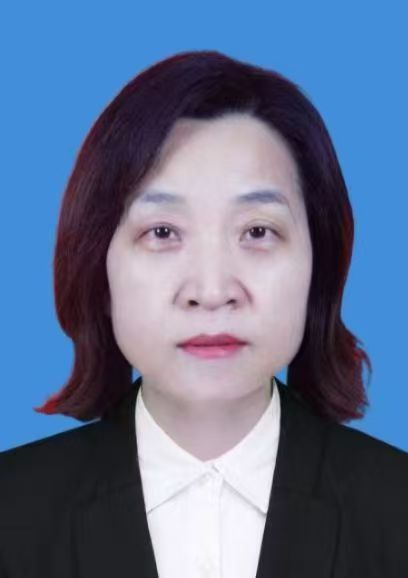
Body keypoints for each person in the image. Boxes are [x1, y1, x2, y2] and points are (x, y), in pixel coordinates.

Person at [0, 50, 407, 577]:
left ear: (319, 263)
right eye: (162, 232)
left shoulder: (396, 510)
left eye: (257, 231)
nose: (212, 292)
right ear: (97, 263)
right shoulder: (12, 515)